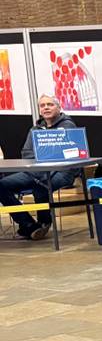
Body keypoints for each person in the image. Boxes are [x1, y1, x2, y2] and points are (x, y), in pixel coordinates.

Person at [0, 95, 76, 240]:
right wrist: (40, 163)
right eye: (42, 106)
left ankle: (44, 222)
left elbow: (64, 153)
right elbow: (27, 153)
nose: (46, 108)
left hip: (61, 172)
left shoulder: (68, 126)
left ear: (58, 108)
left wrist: (44, 157)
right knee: (1, 186)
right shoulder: (35, 129)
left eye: (50, 104)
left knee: (41, 185)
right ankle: (28, 224)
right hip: (34, 172)